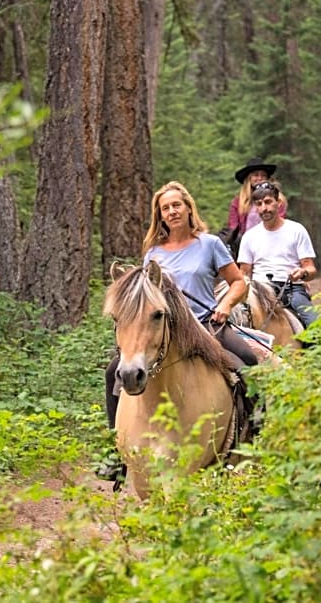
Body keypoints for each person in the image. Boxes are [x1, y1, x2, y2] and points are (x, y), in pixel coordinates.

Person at [97, 181, 256, 481]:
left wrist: (224, 306)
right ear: (160, 215)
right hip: (165, 330)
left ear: (188, 208)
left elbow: (239, 282)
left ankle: (253, 430)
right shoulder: (153, 254)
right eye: (165, 208)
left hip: (207, 322)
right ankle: (115, 451)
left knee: (247, 360)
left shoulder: (209, 244)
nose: (172, 211)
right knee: (112, 371)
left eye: (176, 205)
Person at [237, 181, 319, 328]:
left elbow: (311, 269)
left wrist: (302, 273)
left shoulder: (296, 230)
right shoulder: (249, 236)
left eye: (268, 202)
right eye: (259, 204)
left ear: (278, 202)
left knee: (315, 326)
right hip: (259, 290)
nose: (264, 208)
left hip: (291, 289)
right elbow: (243, 273)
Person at [223, 158, 288, 256]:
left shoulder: (278, 200)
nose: (260, 178)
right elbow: (233, 226)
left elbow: (280, 220)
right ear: (249, 178)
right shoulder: (238, 202)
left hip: (271, 242)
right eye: (256, 175)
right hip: (244, 245)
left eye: (263, 175)